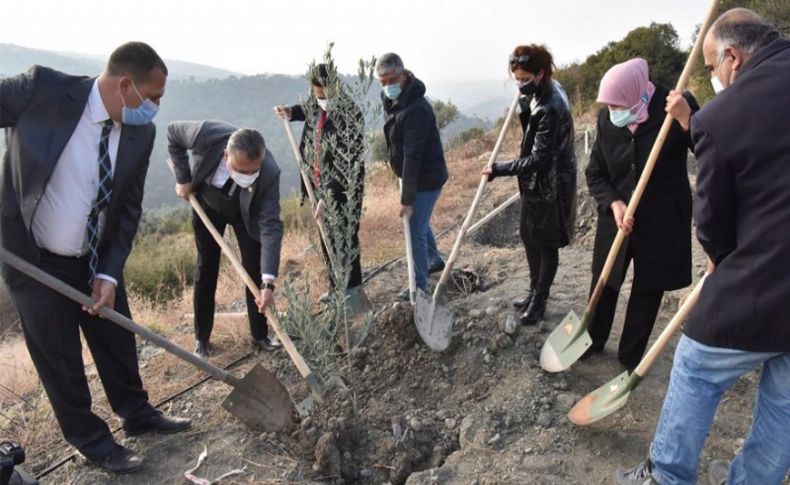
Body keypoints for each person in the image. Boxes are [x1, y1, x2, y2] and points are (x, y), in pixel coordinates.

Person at [616, 9, 790, 485]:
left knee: (695, 365)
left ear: (733, 56)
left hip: (763, 280)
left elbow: (712, 224)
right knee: (785, 402)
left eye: (712, 68)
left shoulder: (721, 116)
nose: (713, 77)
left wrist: (719, 255)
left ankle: (666, 475)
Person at [0, 42, 190, 474]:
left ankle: (137, 414)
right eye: (153, 97)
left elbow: (127, 210)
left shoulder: (141, 133)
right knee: (59, 357)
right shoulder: (41, 90)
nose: (157, 107)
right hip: (34, 260)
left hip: (92, 258)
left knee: (116, 339)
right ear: (125, 86)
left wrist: (109, 271)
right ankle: (91, 440)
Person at [582, 58, 698, 371]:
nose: (613, 111)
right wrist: (614, 203)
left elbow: (710, 151)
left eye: (617, 105)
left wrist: (688, 121)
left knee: (648, 287)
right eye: (608, 106)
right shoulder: (609, 120)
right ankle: (591, 340)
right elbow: (595, 173)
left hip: (662, 219)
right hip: (618, 216)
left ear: (637, 94)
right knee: (605, 280)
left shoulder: (675, 105)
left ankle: (630, 357)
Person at [168, 122, 284, 358]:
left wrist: (268, 283)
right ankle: (202, 338)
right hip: (207, 204)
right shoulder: (206, 135)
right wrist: (183, 178)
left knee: (253, 268)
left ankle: (260, 335)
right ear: (225, 156)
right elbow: (172, 134)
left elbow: (271, 225)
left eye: (253, 171)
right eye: (241, 170)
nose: (248, 176)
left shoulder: (270, 172)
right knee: (206, 266)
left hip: (244, 212)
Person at [484, 44, 577, 325]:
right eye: (517, 80)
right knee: (529, 237)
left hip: (551, 185)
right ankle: (533, 289)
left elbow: (538, 159)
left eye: (526, 79)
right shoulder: (542, 91)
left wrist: (498, 169)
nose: (521, 84)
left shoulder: (551, 105)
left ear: (540, 73)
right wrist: (526, 102)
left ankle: (540, 300)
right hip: (535, 184)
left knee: (546, 244)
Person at [274, 63, 365, 299]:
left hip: (343, 189)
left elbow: (346, 165)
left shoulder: (350, 114)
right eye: (317, 95)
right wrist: (291, 112)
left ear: (335, 88)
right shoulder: (318, 106)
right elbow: (307, 109)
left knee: (345, 237)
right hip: (318, 185)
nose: (321, 100)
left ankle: (352, 291)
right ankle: (336, 289)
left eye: (325, 95)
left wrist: (328, 197)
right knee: (327, 238)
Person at [376, 53, 447, 300]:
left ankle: (419, 286)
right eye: (382, 82)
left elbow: (413, 156)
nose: (387, 86)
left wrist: (406, 200)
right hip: (413, 175)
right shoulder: (392, 100)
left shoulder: (417, 108)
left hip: (426, 177)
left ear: (404, 76)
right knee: (420, 221)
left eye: (392, 80)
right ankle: (434, 259)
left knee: (414, 229)